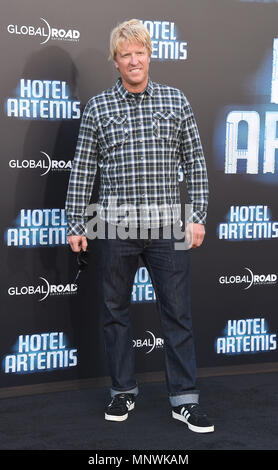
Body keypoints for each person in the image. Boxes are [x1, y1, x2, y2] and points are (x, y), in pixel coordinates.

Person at [65, 19, 213, 433]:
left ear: (150, 55)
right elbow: (83, 171)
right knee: (115, 313)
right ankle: (122, 391)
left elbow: (196, 163)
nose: (133, 60)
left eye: (140, 52)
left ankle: (184, 399)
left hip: (169, 226)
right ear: (116, 61)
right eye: (125, 54)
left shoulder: (176, 100)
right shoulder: (98, 107)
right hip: (114, 227)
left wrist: (197, 215)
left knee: (178, 314)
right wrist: (77, 222)